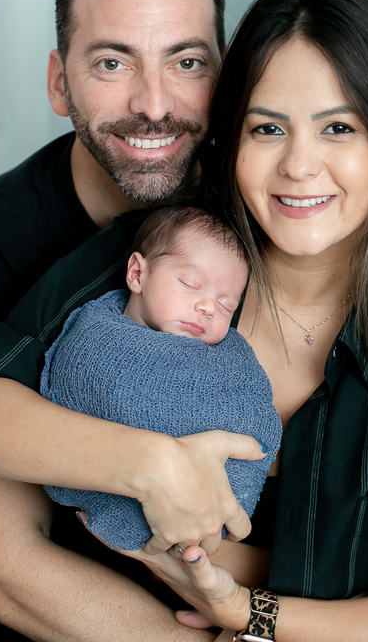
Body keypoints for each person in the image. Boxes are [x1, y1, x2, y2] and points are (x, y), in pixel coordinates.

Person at [0, 0, 368, 641]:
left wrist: (244, 610)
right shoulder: (169, 254)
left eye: (338, 128)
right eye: (268, 128)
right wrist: (152, 466)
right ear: (232, 143)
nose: (299, 165)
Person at [0, 0, 258, 641]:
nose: (155, 104)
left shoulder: (265, 207)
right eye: (112, 62)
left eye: (186, 62)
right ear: (60, 82)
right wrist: (150, 466)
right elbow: (8, 570)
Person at [39, 204, 281, 552]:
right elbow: (78, 388)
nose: (208, 308)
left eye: (226, 305)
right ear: (137, 273)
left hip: (208, 531)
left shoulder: (227, 359)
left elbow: (252, 414)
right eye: (190, 284)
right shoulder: (98, 339)